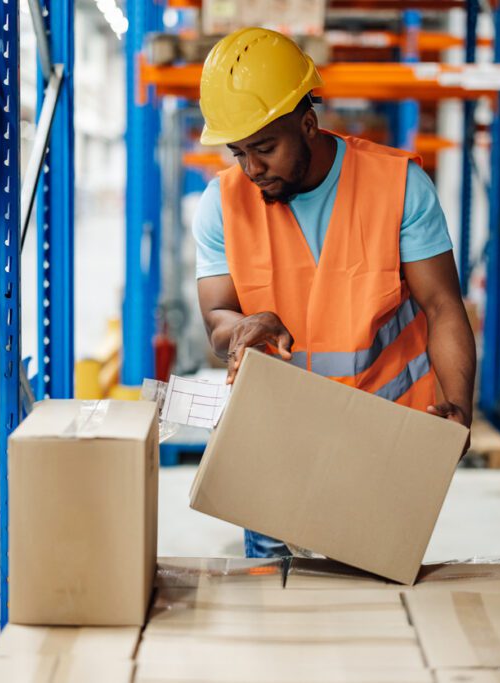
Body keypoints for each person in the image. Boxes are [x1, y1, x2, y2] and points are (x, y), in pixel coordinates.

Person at [192, 28, 477, 559]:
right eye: (238, 153)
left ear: (307, 123)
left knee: (372, 621)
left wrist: (458, 407)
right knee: (276, 619)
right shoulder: (221, 205)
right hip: (276, 450)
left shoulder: (398, 186)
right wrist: (241, 331)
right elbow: (217, 317)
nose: (252, 169)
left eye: (265, 148)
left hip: (383, 448)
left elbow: (442, 307)